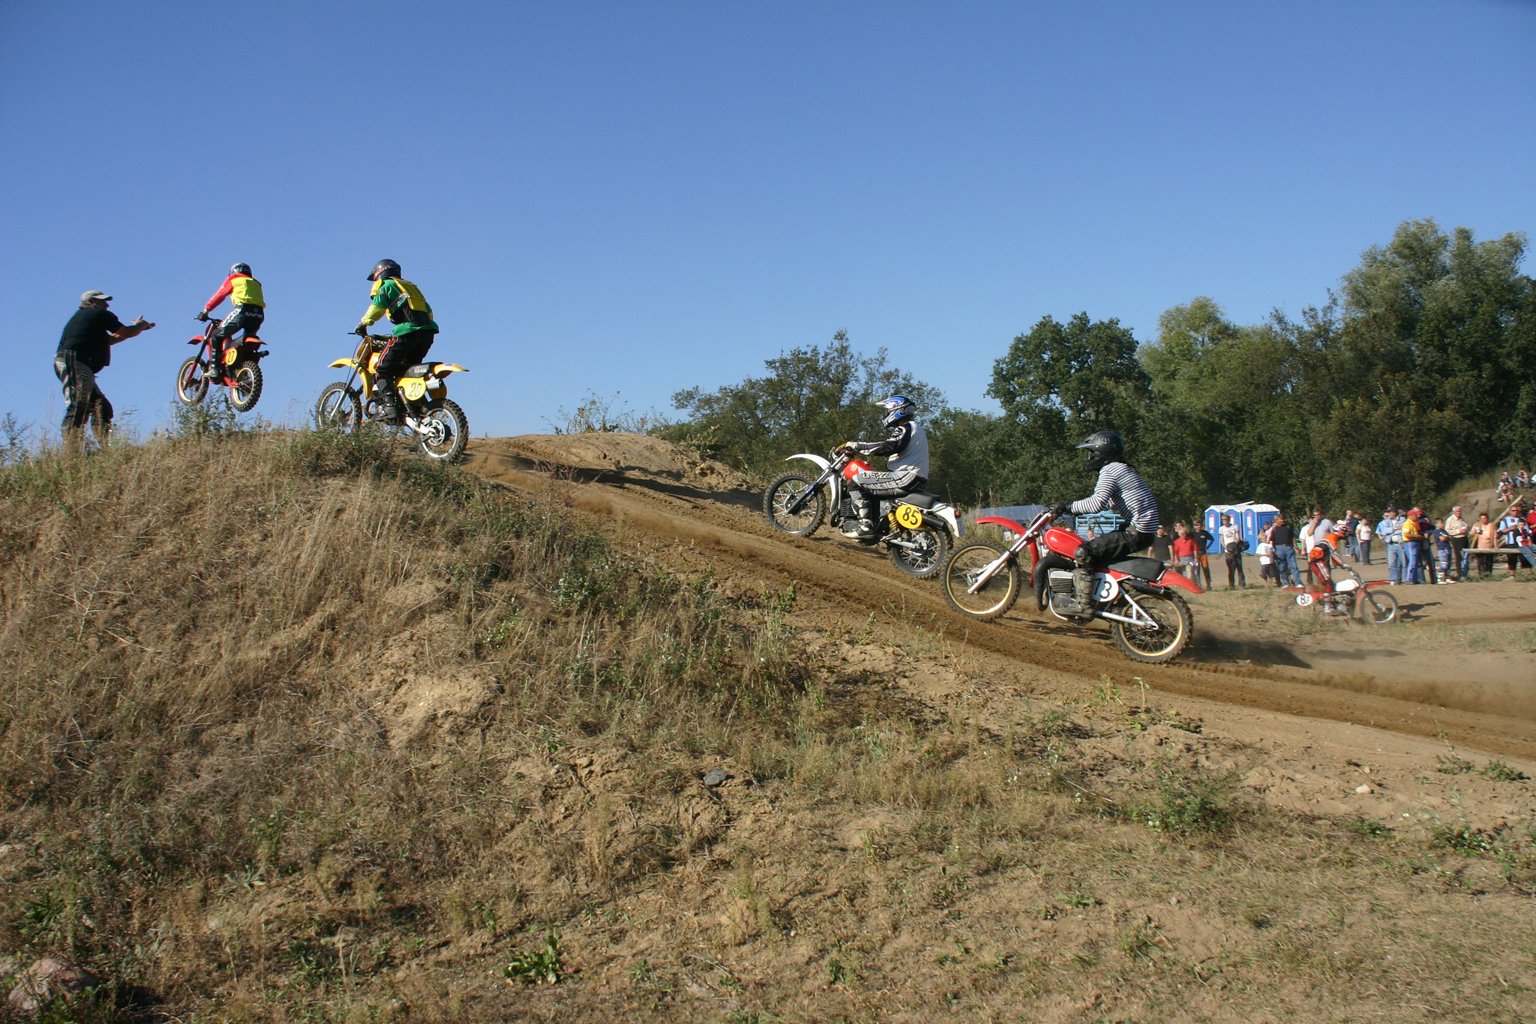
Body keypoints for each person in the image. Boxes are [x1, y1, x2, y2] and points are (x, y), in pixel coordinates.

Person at [1047, 430, 1160, 617]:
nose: (1090, 457)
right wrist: (1072, 507)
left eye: (1092, 453)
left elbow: (1096, 503)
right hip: (1141, 529)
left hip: (1136, 530)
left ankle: (1084, 605)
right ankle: (1104, 600)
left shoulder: (1110, 470)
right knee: (1099, 553)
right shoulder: (1123, 468)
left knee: (1084, 552)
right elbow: (1108, 503)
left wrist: (1067, 506)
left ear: (1102, 451)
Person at [54, 290, 156, 453]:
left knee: (100, 406)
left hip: (73, 362)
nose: (107, 305)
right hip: (75, 361)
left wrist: (138, 329)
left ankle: (108, 448)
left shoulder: (87, 319)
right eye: (103, 301)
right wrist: (140, 325)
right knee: (79, 403)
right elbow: (126, 332)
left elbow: (111, 339)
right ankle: (71, 452)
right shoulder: (98, 314)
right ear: (92, 302)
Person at [355, 258, 438, 423]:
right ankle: (413, 407)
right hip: (427, 334)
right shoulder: (411, 287)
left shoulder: (387, 285)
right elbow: (429, 311)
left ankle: (390, 407)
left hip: (406, 333)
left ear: (380, 273)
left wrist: (363, 323)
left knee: (382, 369)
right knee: (406, 370)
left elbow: (377, 307)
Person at [840, 395, 929, 540]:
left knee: (855, 482)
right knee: (872, 488)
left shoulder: (905, 428)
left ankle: (866, 526)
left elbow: (889, 446)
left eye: (887, 411)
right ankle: (876, 525)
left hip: (905, 476)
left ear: (897, 410)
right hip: (916, 477)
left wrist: (858, 446)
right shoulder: (916, 428)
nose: (886, 414)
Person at [196, 262, 265, 373]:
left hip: (242, 311)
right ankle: (240, 368)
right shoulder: (256, 283)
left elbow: (219, 295)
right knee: (246, 341)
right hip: (259, 315)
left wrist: (205, 311)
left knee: (215, 335)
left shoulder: (234, 279)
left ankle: (214, 368)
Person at [1270, 512, 1301, 587]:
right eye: (1280, 519)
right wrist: (1272, 550)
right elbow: (1272, 540)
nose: (1282, 520)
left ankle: (1298, 583)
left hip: (1289, 548)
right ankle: (1285, 583)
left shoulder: (1288, 527)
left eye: (1282, 519)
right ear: (1276, 521)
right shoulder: (1274, 530)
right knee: (1282, 567)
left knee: (1294, 566)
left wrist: (1296, 547)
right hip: (1279, 549)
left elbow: (1293, 538)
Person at [1219, 513, 1248, 589]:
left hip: (1236, 549)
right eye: (1222, 519)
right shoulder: (1221, 529)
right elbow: (1221, 540)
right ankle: (1231, 585)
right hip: (1228, 551)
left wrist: (1234, 545)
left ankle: (1242, 585)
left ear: (1229, 519)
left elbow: (1238, 537)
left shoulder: (1234, 526)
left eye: (1225, 519)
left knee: (1239, 567)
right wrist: (1226, 548)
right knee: (1231, 569)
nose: (1224, 521)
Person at [1443, 504, 1470, 582]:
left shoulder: (1462, 519)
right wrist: (1458, 531)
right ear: (1454, 512)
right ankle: (1460, 574)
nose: (1459, 512)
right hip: (1456, 539)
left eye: (1460, 511)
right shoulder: (1450, 520)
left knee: (1466, 556)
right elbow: (1447, 530)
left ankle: (1465, 574)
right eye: (1458, 511)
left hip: (1464, 538)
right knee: (1459, 557)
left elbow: (1466, 526)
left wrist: (1465, 530)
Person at [1378, 508, 1405, 584]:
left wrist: (1391, 531)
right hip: (1391, 544)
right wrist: (1395, 529)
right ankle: (1393, 579)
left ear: (1394, 513)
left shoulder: (1402, 519)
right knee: (1391, 563)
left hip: (1400, 543)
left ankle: (1405, 579)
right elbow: (1384, 531)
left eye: (1389, 512)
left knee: (1404, 562)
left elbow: (1403, 529)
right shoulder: (1386, 521)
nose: (1388, 514)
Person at [1469, 512, 1498, 578]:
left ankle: (1489, 575)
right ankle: (1481, 575)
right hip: (1480, 547)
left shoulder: (1491, 525)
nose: (1483, 520)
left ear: (1487, 518)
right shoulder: (1477, 525)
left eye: (1484, 518)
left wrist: (1496, 546)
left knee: (1489, 562)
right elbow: (1471, 533)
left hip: (1489, 546)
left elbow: (1494, 536)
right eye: (1481, 518)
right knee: (1480, 562)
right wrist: (1475, 531)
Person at [1399, 507, 1422, 584]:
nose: (1417, 517)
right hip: (1410, 543)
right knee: (1412, 561)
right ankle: (1409, 579)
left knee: (1415, 562)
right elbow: (1406, 534)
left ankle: (1414, 579)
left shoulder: (1413, 523)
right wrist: (1416, 536)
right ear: (1411, 516)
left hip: (1414, 543)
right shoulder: (1407, 523)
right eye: (1415, 515)